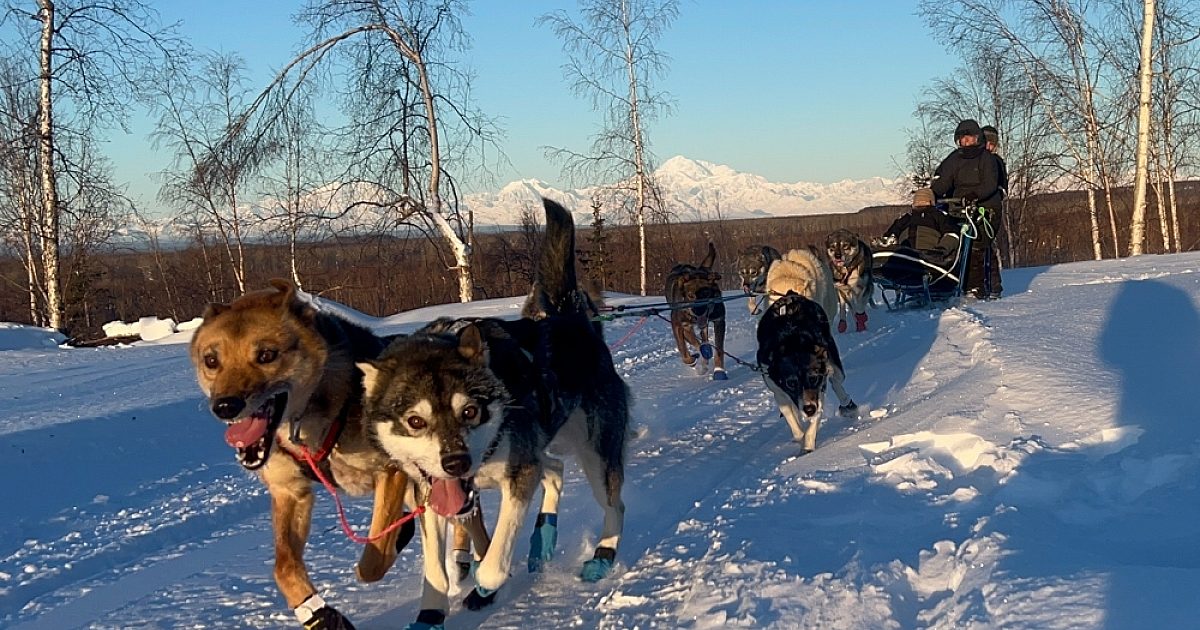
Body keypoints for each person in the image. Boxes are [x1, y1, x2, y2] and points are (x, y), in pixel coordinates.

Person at [931, 119, 1002, 299]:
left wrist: (974, 195)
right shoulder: (954, 159)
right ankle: (941, 282)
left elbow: (990, 184)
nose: (966, 142)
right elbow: (943, 180)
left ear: (977, 138)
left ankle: (975, 287)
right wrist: (930, 194)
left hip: (984, 207)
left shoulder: (987, 159)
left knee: (975, 244)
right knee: (946, 238)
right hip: (956, 206)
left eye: (969, 138)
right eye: (963, 138)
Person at [980, 125, 1006, 298]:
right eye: (987, 143)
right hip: (982, 208)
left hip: (990, 209)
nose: (989, 147)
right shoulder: (983, 161)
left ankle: (993, 285)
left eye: (992, 144)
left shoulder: (996, 162)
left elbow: (1002, 187)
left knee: (986, 245)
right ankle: (990, 285)